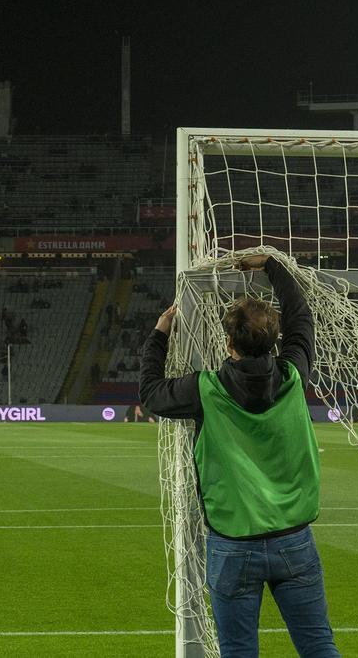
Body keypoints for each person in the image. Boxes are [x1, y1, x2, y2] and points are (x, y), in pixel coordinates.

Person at [139, 252, 338, 658]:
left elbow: (151, 394)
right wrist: (271, 266)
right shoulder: (293, 374)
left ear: (228, 343)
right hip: (293, 539)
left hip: (233, 545)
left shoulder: (205, 388)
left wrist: (160, 334)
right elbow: (301, 315)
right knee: (319, 648)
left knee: (237, 652)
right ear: (275, 340)